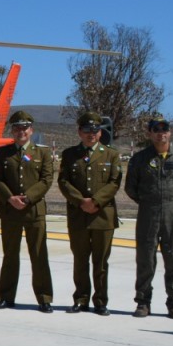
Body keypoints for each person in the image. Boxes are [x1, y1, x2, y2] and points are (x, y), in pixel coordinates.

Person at [124, 115, 173, 319]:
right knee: (145, 258)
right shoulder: (140, 159)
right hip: (148, 211)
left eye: (164, 130)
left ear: (170, 133)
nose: (161, 134)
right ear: (150, 133)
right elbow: (131, 187)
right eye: (156, 130)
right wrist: (148, 201)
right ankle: (143, 302)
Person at [58, 111, 123, 315]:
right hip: (79, 215)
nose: (91, 134)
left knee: (101, 261)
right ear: (79, 131)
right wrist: (81, 201)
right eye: (86, 130)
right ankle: (81, 298)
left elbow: (114, 182)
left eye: (95, 130)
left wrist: (95, 201)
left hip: (102, 215)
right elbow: (63, 181)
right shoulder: (69, 154)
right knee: (80, 260)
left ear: (100, 133)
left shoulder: (111, 154)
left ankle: (101, 301)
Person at [0, 110, 54, 312]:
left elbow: (46, 179)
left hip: (34, 211)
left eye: (24, 128)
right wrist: (10, 198)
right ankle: (6, 296)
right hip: (10, 211)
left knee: (39, 255)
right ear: (12, 130)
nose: (21, 132)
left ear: (31, 130)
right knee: (10, 255)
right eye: (17, 128)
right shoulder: (3, 152)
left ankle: (44, 298)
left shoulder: (42, 153)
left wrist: (27, 198)